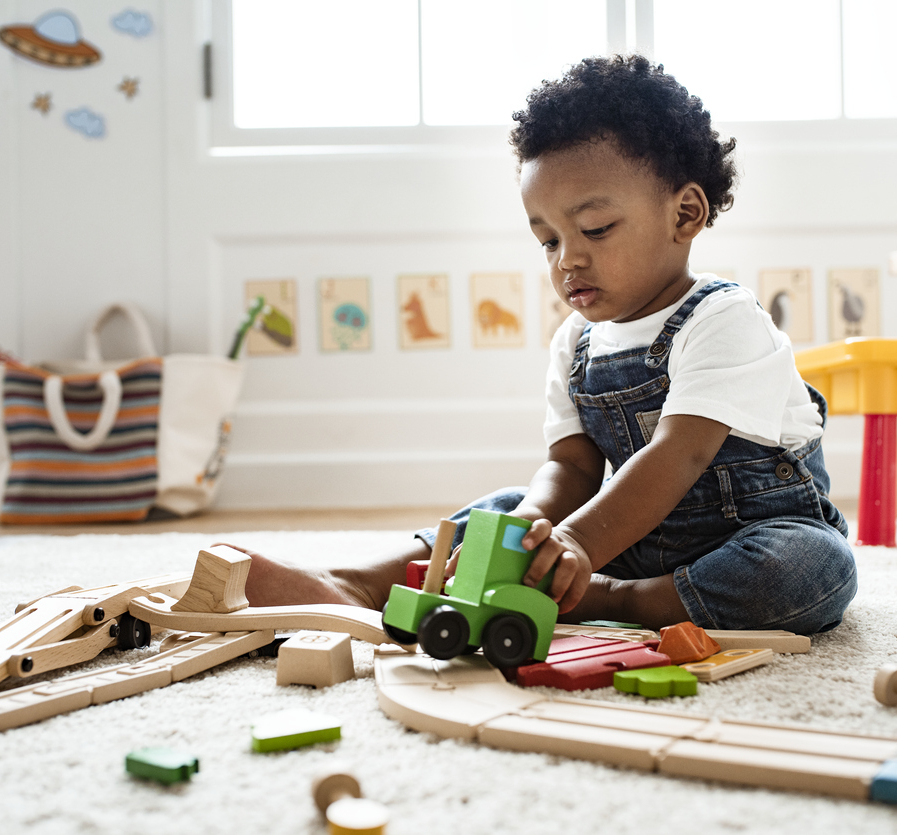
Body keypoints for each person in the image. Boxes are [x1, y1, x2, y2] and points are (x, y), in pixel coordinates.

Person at [237, 54, 856, 633]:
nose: (569, 258)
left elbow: (679, 457)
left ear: (685, 214)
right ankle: (357, 583)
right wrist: (534, 526)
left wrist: (580, 545)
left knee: (809, 567)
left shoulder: (725, 319)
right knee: (505, 509)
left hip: (745, 535)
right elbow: (572, 468)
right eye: (548, 240)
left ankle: (617, 601)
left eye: (595, 228)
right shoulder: (576, 342)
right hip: (627, 536)